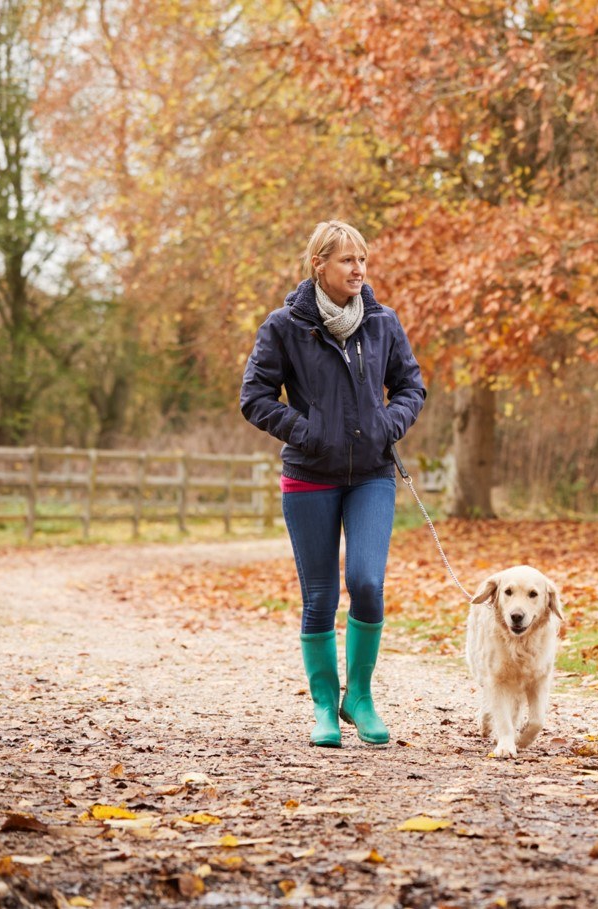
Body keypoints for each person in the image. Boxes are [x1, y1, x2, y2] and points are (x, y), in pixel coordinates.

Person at [240, 221, 426, 747]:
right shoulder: (283, 327)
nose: (358, 270)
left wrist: (389, 424)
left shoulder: (383, 323)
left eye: (362, 261)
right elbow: (254, 397)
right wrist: (308, 432)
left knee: (366, 582)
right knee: (319, 595)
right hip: (309, 477)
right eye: (347, 260)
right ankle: (324, 705)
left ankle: (359, 696)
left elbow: (411, 385)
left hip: (371, 474)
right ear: (318, 264)